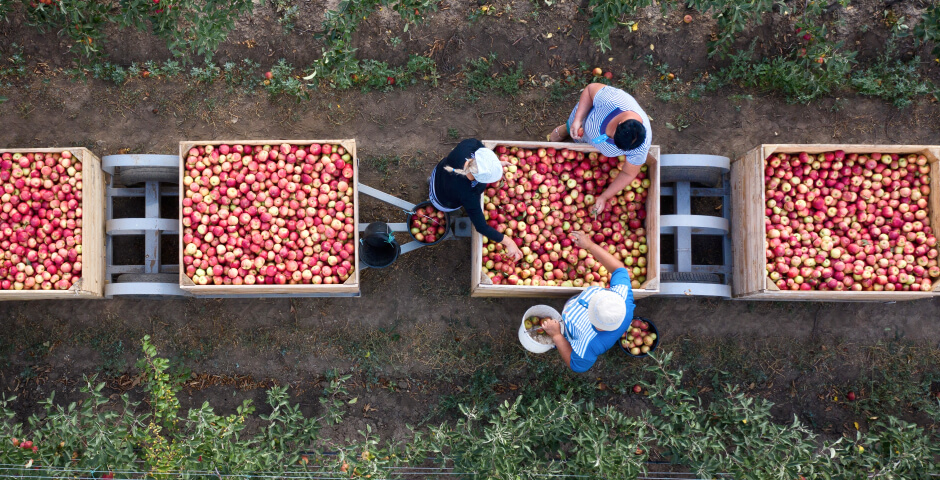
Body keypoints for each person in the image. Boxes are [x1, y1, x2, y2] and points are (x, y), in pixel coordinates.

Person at [548, 83, 653, 216]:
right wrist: (578, 119)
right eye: (613, 140)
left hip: (591, 142)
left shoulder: (640, 146)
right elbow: (589, 90)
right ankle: (567, 129)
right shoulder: (612, 100)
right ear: (619, 123)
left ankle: (574, 134)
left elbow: (628, 173)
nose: (612, 144)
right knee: (572, 126)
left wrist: (604, 196)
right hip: (584, 122)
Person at [542, 231, 635, 372]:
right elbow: (619, 269)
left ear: (598, 325)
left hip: (567, 331)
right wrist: (590, 245)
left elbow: (577, 366)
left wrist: (557, 336)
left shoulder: (591, 344)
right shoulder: (622, 298)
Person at [430, 138, 522, 261]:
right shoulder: (469, 194)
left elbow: (478, 149)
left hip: (440, 173)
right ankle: (448, 211)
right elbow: (481, 227)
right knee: (452, 205)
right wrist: (509, 242)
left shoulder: (466, 148)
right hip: (442, 199)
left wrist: (494, 165)